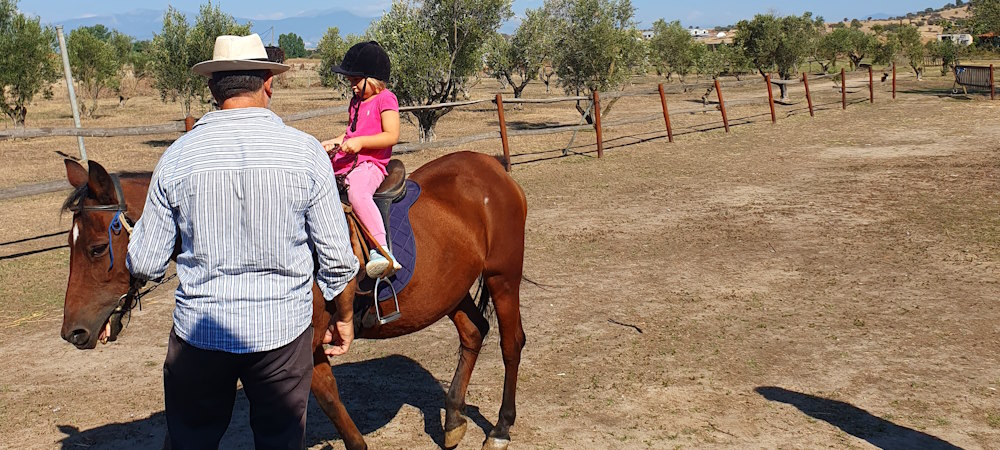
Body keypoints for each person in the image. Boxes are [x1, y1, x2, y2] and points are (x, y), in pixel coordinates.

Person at [125, 34, 359, 450]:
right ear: (268, 83)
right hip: (282, 336)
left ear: (213, 88)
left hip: (199, 336)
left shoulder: (177, 158)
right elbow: (338, 261)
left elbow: (144, 263)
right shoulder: (305, 154)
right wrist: (343, 317)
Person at [320, 41, 401, 278]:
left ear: (372, 79)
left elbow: (392, 135)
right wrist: (334, 142)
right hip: (349, 160)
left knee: (357, 193)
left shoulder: (386, 99)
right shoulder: (356, 102)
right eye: (350, 80)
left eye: (356, 80)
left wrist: (362, 143)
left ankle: (382, 250)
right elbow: (350, 133)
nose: (352, 86)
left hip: (371, 164)